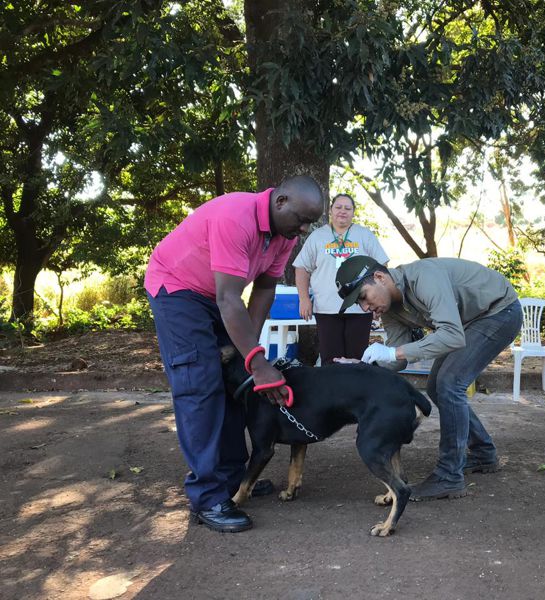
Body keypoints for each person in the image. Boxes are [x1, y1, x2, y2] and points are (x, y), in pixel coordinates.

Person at [144, 175, 324, 532]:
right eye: (300, 219)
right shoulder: (235, 216)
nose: (303, 229)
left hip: (213, 297)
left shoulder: (284, 235)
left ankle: (232, 481)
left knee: (233, 382)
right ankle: (208, 498)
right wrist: (260, 364)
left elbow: (263, 291)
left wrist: (248, 358)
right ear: (281, 200)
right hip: (177, 290)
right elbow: (230, 298)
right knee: (200, 385)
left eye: (309, 223)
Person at [335, 255, 522, 501]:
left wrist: (393, 351)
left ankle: (449, 477)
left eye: (363, 297)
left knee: (449, 384)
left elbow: (451, 336)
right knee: (436, 387)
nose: (365, 308)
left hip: (499, 312)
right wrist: (364, 366)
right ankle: (483, 453)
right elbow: (399, 358)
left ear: (379, 277)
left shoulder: (424, 278)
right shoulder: (391, 310)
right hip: (467, 323)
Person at [293, 193, 389, 364]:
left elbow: (382, 266)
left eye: (347, 208)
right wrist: (303, 298)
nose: (342, 211)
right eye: (338, 207)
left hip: (360, 309)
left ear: (353, 213)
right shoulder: (317, 237)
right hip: (326, 309)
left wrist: (378, 301)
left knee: (357, 359)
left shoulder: (364, 235)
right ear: (330, 211)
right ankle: (333, 391)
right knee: (330, 360)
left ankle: (356, 391)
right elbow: (301, 268)